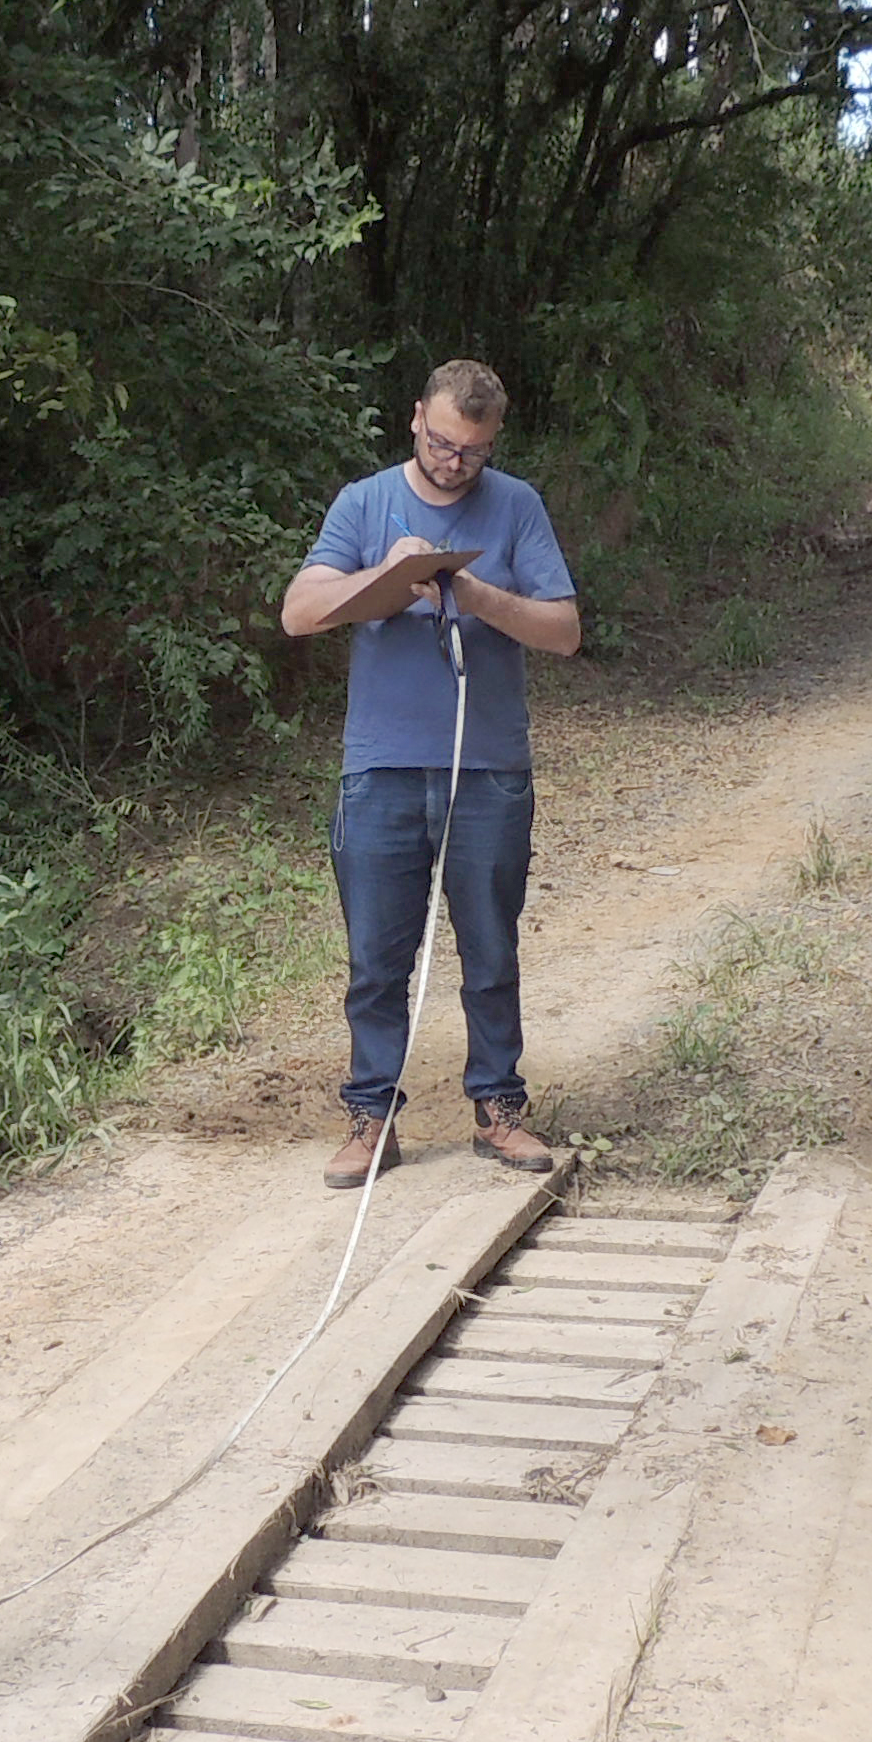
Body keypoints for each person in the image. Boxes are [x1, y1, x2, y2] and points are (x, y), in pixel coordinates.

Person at [278, 359, 581, 1187]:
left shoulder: (517, 506)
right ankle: (371, 1117)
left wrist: (473, 592)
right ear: (415, 419)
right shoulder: (365, 502)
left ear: (492, 447)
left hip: (485, 765)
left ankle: (499, 1110)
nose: (454, 462)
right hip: (380, 766)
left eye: (473, 453)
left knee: (490, 946)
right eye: (443, 443)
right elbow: (298, 613)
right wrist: (390, 576)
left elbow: (563, 631)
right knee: (377, 954)